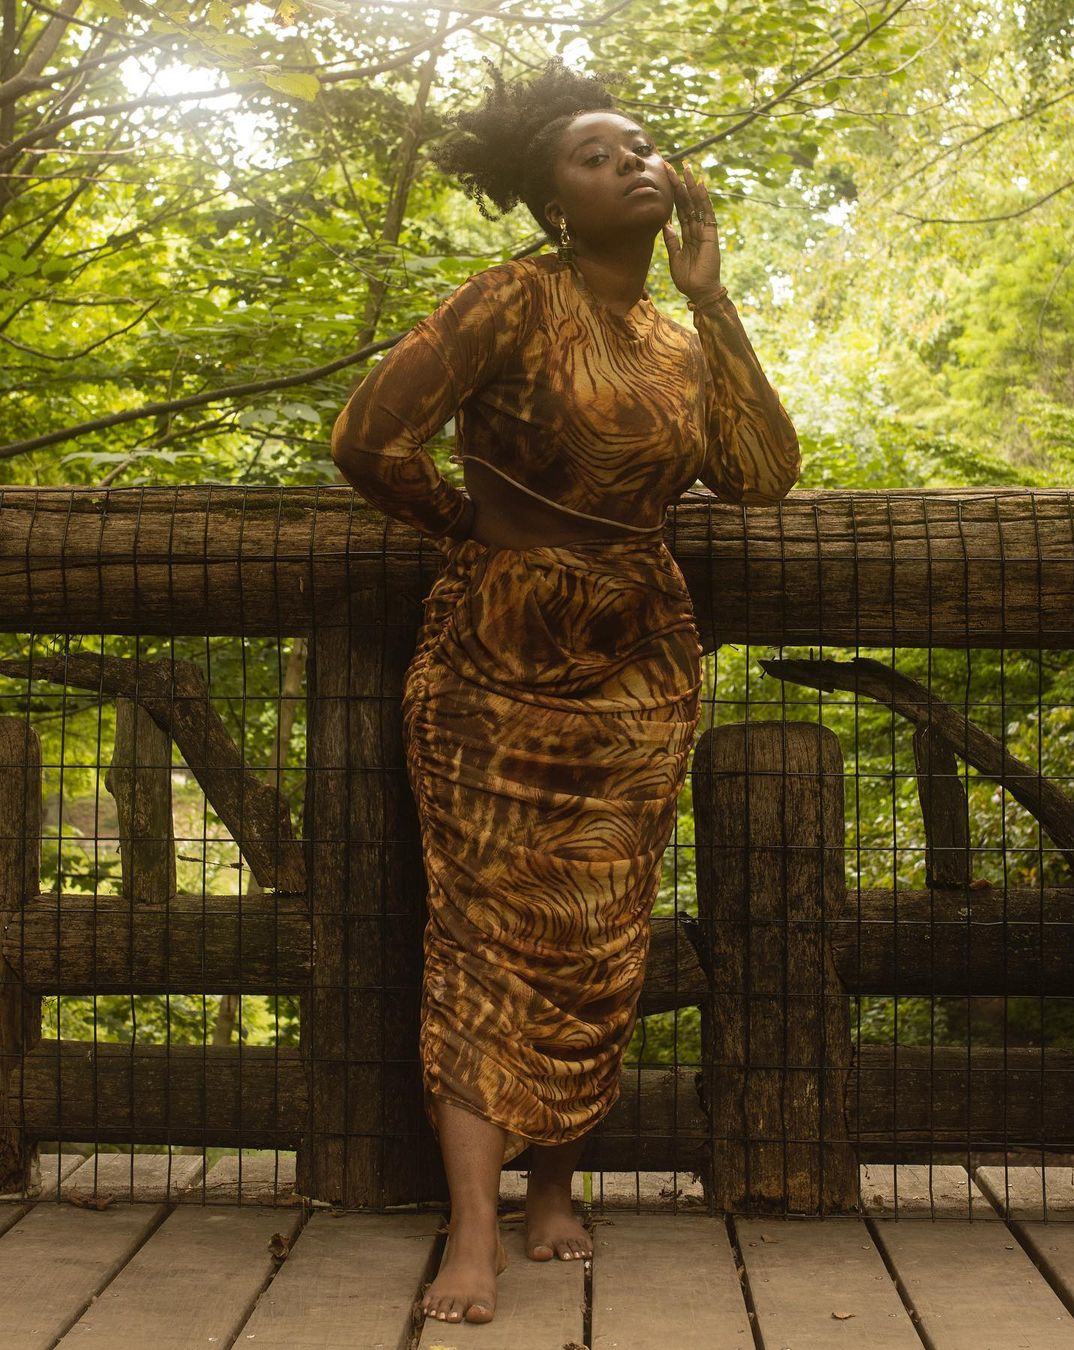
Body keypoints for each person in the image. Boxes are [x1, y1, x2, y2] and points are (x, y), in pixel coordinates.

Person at [329, 57, 801, 1327]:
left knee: (598, 932)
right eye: (598, 155)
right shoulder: (509, 299)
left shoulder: (674, 335)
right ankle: (474, 1229)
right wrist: (468, 528)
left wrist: (713, 296)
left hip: (639, 668)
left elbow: (762, 475)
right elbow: (367, 437)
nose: (632, 163)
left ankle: (553, 1190)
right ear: (554, 202)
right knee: (483, 938)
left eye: (641, 147)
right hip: (495, 664)